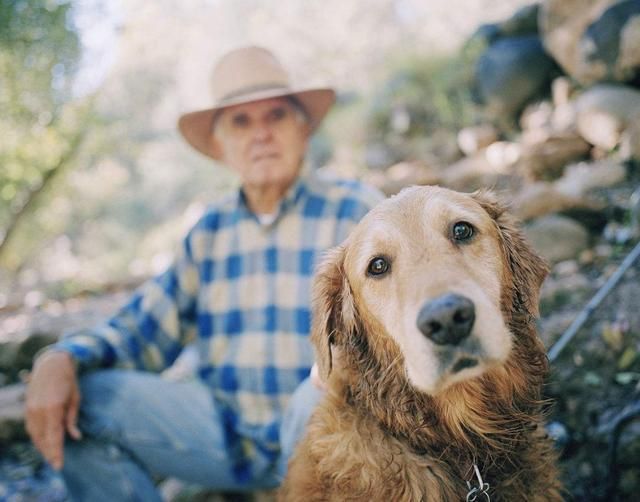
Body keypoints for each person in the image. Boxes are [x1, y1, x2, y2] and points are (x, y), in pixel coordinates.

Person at [25, 46, 384, 500]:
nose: (261, 134)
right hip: (222, 438)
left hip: (323, 426)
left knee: (319, 393)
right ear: (220, 146)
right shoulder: (208, 233)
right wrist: (61, 358)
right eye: (241, 122)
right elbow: (142, 330)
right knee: (84, 400)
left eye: (275, 116)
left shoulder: (357, 212)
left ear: (303, 128)